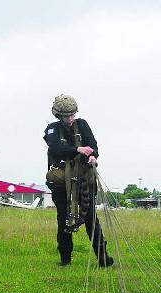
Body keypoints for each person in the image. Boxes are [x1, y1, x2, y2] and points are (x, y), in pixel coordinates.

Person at [44, 95, 112, 267]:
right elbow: (55, 148)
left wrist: (93, 157)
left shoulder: (82, 125)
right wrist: (77, 149)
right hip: (61, 183)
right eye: (66, 116)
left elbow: (93, 146)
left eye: (72, 115)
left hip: (84, 179)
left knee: (90, 217)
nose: (70, 119)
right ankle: (65, 258)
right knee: (63, 218)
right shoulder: (51, 129)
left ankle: (103, 258)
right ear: (58, 115)